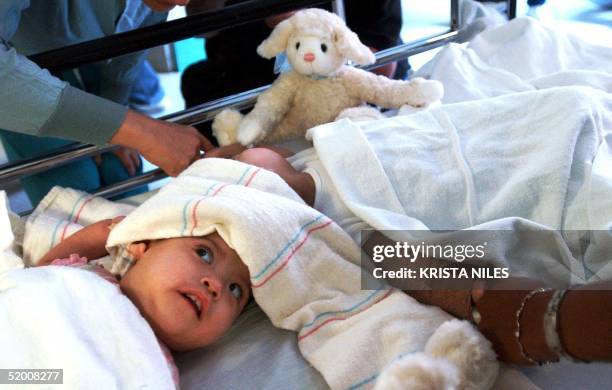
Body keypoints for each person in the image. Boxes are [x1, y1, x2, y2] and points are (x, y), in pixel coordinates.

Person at [200, 138, 612, 366]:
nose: (214, 286)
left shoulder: (326, 155)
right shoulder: (333, 250)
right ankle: (523, 313)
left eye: (205, 252)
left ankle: (523, 314)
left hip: (462, 146)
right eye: (237, 288)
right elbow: (398, 268)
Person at [0, 0, 214, 204]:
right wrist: (137, 130)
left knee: (123, 171)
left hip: (92, 57)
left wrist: (120, 118)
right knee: (72, 185)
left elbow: (132, 46)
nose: (183, 3)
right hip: (19, 77)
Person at [180, 0, 409, 142]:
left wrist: (307, 26)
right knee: (197, 87)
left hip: (337, 86)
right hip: (241, 81)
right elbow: (200, 25)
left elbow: (381, 65)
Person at [36, 216, 251, 352]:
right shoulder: (86, 279)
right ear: (144, 245)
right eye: (203, 254)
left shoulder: (156, 372)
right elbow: (39, 273)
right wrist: (118, 231)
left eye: (236, 289)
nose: (217, 286)